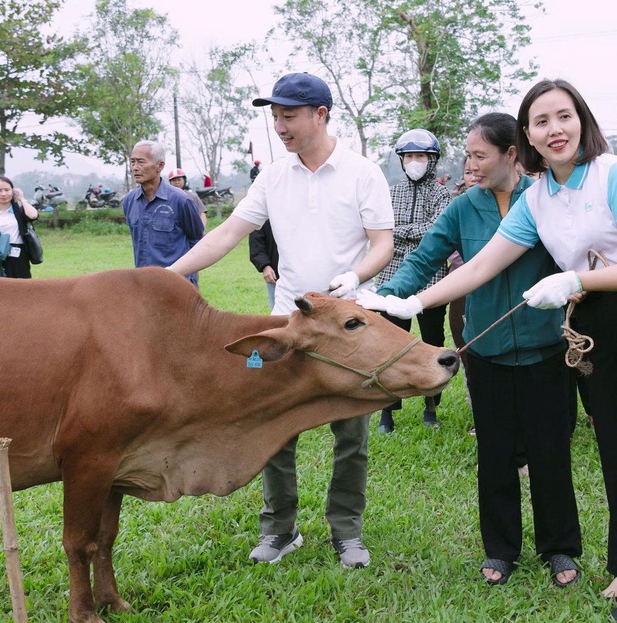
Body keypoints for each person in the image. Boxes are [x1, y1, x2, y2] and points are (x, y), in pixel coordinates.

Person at [360, 79, 617, 619]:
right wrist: (412, 302)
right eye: (541, 121)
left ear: (582, 120)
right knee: (616, 446)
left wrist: (575, 281)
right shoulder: (539, 196)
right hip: (599, 322)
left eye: (563, 116)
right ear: (527, 136)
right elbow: (481, 266)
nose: (555, 130)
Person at [167, 72, 394, 569]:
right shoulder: (272, 176)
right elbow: (228, 234)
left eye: (288, 116)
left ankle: (346, 532)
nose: (280, 126)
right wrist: (167, 276)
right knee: (275, 429)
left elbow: (383, 244)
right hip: (288, 321)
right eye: (275, 117)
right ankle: (279, 529)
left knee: (351, 435)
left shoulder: (362, 172)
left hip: (348, 325)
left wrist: (353, 277)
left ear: (320, 115)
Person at [360, 112, 583, 589]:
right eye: (468, 155)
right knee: (496, 453)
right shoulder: (464, 207)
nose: (472, 164)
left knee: (550, 453)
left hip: (546, 350)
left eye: (481, 155)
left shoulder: (548, 199)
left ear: (512, 154)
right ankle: (501, 550)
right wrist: (388, 298)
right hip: (485, 351)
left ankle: (560, 547)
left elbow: (581, 255)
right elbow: (424, 259)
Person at [375, 128, 452, 433]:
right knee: (389, 345)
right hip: (393, 278)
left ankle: (431, 405)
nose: (414, 161)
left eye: (420, 156)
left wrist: (402, 230)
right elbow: (383, 228)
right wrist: (407, 230)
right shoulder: (391, 192)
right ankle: (386, 412)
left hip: (432, 282)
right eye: (409, 156)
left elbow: (436, 231)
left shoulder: (442, 194)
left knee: (432, 342)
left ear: (431, 160)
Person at [122, 141, 205, 286]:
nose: (135, 168)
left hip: (177, 284)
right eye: (132, 162)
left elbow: (197, 241)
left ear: (160, 166)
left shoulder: (181, 200)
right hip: (143, 286)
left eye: (141, 162)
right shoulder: (129, 201)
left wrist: (189, 278)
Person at [0, 176, 41, 279]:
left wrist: (22, 199)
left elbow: (33, 215)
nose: (3, 194)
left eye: (7, 190)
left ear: (12, 191)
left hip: (18, 257)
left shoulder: (20, 212)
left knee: (21, 289)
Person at [248, 220, 279, 309]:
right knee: (279, 315)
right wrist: (265, 266)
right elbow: (256, 243)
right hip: (276, 273)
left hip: (305, 273)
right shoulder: (264, 215)